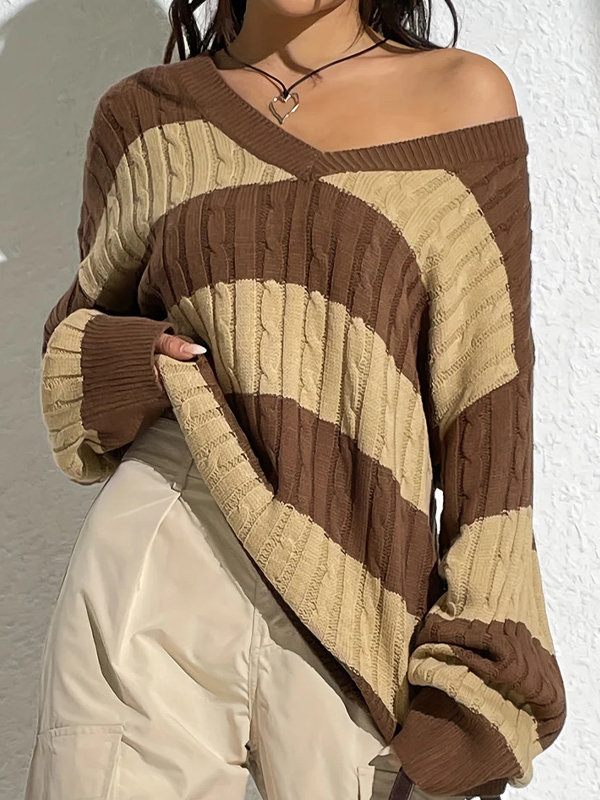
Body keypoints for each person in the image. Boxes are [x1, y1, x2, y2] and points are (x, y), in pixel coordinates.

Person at [24, 0, 567, 798]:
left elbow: (490, 404)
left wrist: (482, 663)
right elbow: (74, 351)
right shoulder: (144, 115)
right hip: (162, 545)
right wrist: (139, 360)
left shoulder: (464, 96)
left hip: (363, 600)